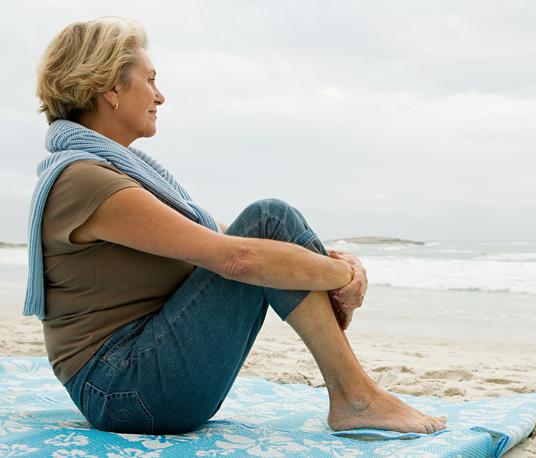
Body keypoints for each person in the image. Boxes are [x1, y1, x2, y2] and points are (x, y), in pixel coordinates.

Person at [30, 16, 447, 435]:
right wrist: (343, 275)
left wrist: (332, 264)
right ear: (111, 89)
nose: (160, 95)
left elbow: (226, 236)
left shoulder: (113, 171)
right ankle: (356, 397)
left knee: (269, 223)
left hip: (137, 381)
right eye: (150, 80)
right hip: (124, 389)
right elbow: (238, 256)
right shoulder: (85, 179)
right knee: (269, 219)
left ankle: (355, 395)